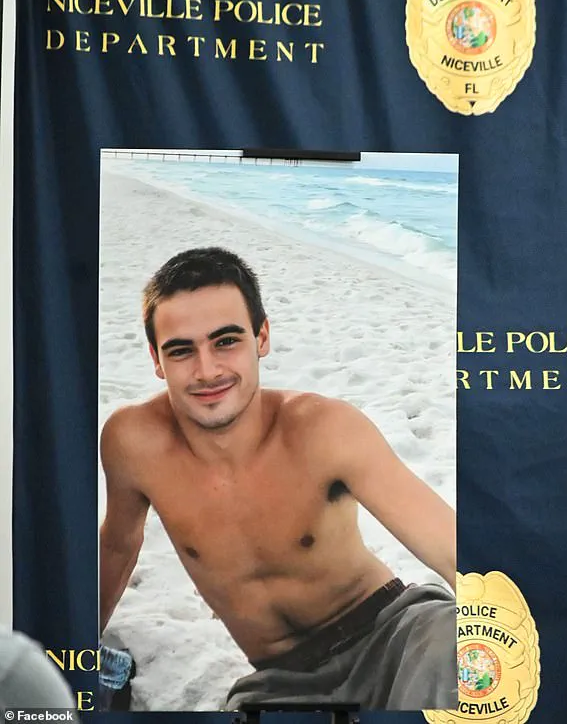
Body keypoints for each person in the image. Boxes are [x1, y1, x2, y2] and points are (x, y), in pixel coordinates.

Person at [99, 247, 457, 711]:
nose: (207, 371)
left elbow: (452, 550)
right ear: (156, 358)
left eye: (226, 341)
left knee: (455, 644)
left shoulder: (323, 429)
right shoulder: (134, 443)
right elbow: (118, 546)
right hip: (280, 681)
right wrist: (73, 643)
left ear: (261, 337)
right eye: (182, 350)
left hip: (396, 639)